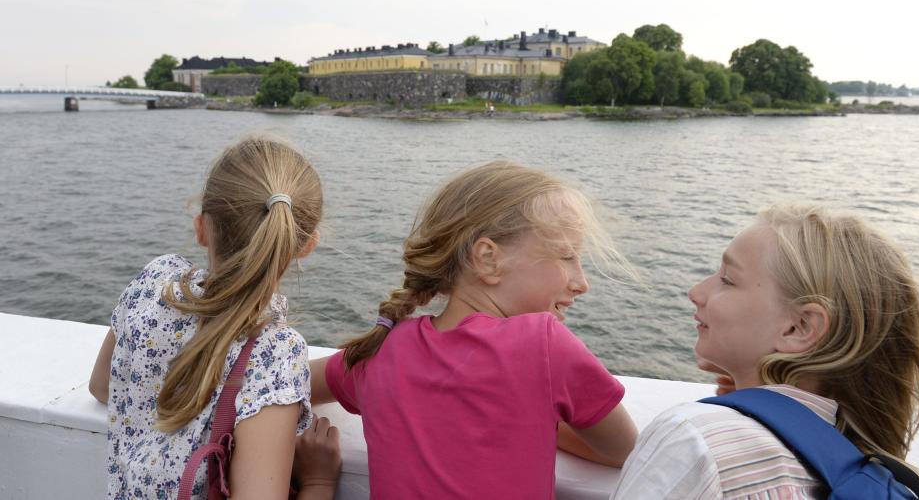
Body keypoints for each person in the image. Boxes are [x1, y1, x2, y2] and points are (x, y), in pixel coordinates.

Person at [308, 161, 640, 499]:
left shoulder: (381, 351)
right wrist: (546, 418)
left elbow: (290, 382)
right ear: (488, 258)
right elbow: (626, 450)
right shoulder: (544, 344)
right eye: (567, 256)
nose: (582, 283)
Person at [611, 204, 919, 499]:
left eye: (728, 279)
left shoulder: (694, 438)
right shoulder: (869, 465)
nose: (695, 291)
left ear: (799, 328)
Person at [88, 136, 339, 500]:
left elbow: (102, 386)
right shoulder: (276, 355)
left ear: (202, 227)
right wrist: (319, 482)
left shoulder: (155, 282)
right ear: (306, 245)